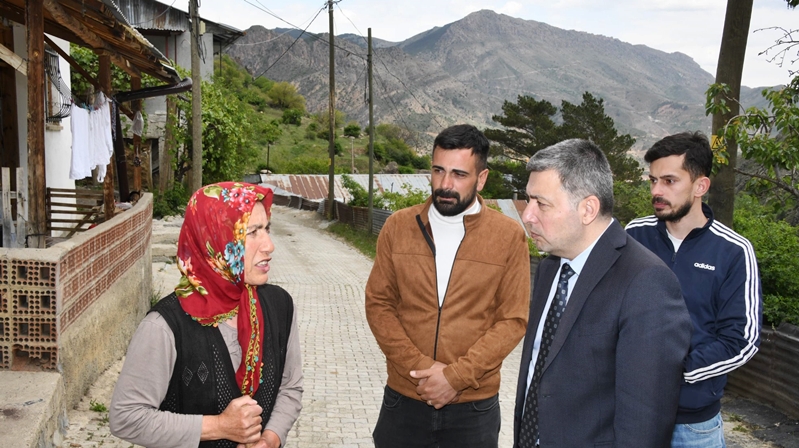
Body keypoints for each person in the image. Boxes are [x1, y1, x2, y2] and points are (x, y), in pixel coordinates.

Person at [513, 139, 692, 447]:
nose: (527, 215)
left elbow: (643, 424)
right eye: (528, 200)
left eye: (540, 203)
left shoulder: (646, 283)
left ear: (588, 208)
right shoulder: (549, 268)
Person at [365, 124, 531, 448]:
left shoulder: (509, 236)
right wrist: (424, 370)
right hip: (404, 400)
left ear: (481, 178)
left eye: (459, 174)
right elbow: (379, 305)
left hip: (474, 409)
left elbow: (512, 321)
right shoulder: (398, 227)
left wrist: (455, 378)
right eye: (438, 170)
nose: (445, 184)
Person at [110, 182, 303, 448]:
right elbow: (126, 417)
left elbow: (290, 388)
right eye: (252, 233)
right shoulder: (164, 326)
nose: (269, 246)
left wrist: (270, 439)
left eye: (266, 229)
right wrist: (219, 426)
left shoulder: (279, 306)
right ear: (218, 242)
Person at [626, 131, 762, 448]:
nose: (656, 191)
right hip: (630, 415)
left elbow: (742, 339)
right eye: (652, 180)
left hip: (693, 427)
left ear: (700, 186)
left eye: (669, 181)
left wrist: (678, 369)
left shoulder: (734, 251)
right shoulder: (634, 235)